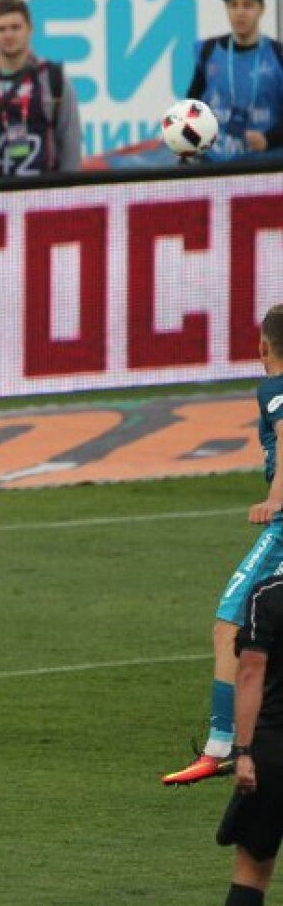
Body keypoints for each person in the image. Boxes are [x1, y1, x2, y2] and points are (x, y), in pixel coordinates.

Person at [164, 303, 283, 786]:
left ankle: (221, 748)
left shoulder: (275, 388)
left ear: (262, 346)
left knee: (230, 622)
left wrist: (276, 498)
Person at [215, 573, 283, 906]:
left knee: (252, 871)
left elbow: (250, 672)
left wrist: (242, 751)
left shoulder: (268, 595)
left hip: (272, 750)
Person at [0, 0, 83, 178]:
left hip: (41, 192)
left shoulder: (52, 77)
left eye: (15, 27)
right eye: (1, 29)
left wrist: (69, 190)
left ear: (30, 29)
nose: (8, 35)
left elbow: (70, 140)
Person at [186, 0, 283, 163]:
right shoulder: (209, 51)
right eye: (233, 5)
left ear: (261, 10)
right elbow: (191, 105)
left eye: (248, 5)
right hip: (214, 165)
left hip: (266, 167)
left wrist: (269, 139)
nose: (240, 12)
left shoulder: (278, 55)